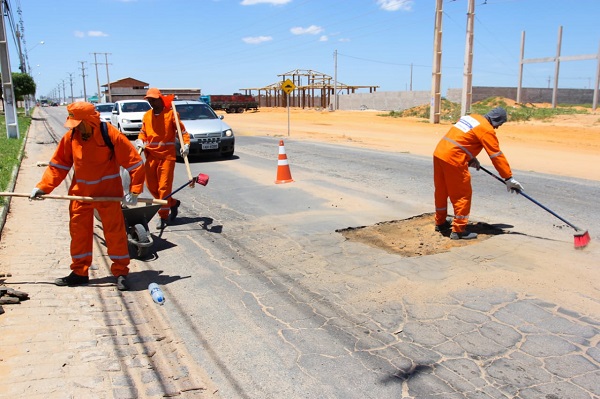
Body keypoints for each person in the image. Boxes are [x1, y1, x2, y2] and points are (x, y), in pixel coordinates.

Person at [30, 102, 145, 290]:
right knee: (79, 234)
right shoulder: (72, 137)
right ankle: (79, 273)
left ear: (89, 121)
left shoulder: (110, 135)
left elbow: (135, 164)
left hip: (108, 195)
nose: (74, 127)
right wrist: (43, 187)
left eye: (78, 122)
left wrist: (134, 191)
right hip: (81, 194)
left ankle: (121, 272)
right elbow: (58, 165)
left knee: (114, 235)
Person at [433, 107, 523, 240]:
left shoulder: (470, 117)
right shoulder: (486, 130)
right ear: (496, 120)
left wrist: (470, 157)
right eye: (500, 124)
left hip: (440, 153)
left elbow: (462, 137)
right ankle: (458, 230)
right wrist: (508, 177)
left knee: (442, 190)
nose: (498, 128)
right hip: (454, 159)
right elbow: (496, 155)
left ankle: (440, 223)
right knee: (462, 195)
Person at [135, 88, 191, 230]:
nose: (151, 102)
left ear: (160, 99)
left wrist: (186, 145)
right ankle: (172, 203)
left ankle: (163, 216)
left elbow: (182, 132)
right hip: (151, 155)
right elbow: (143, 132)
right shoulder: (147, 116)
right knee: (151, 187)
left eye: (153, 99)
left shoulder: (171, 114)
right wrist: (140, 140)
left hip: (167, 156)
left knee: (164, 188)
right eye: (149, 100)